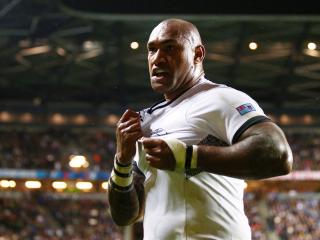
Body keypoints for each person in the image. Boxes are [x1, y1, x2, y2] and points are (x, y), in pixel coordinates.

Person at [107, 18, 293, 240]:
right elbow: (125, 215)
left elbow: (278, 154)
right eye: (152, 50)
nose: (157, 58)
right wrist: (122, 161)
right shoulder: (147, 121)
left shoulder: (221, 99)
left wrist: (188, 157)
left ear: (198, 54)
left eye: (169, 48)